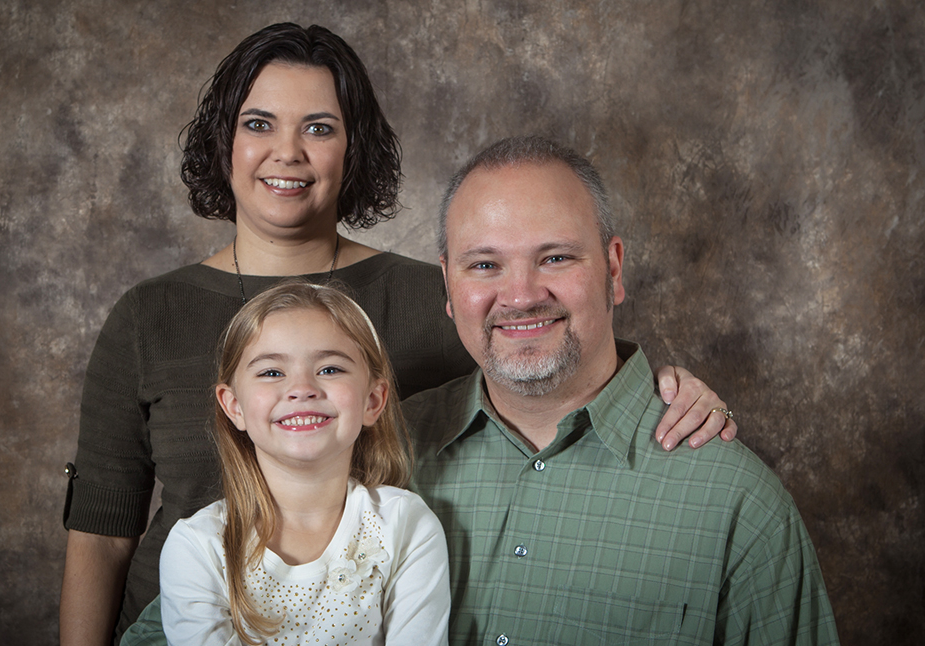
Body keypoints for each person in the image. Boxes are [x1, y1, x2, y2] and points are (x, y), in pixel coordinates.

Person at [60, 23, 734, 646]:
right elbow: (101, 537)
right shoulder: (148, 315)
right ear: (223, 142)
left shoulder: (437, 298)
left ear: (353, 149)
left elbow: (548, 374)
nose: (287, 152)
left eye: (319, 127)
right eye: (258, 123)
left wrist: (663, 390)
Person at [404, 135, 839, 644]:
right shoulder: (385, 453)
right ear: (448, 283)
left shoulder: (737, 503)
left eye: (556, 258)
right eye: (484, 265)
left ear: (613, 268)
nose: (520, 297)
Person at [155, 282, 449, 645]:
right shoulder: (198, 546)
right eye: (271, 372)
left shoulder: (405, 525)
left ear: (373, 401)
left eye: (330, 369)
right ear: (234, 407)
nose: (302, 388)